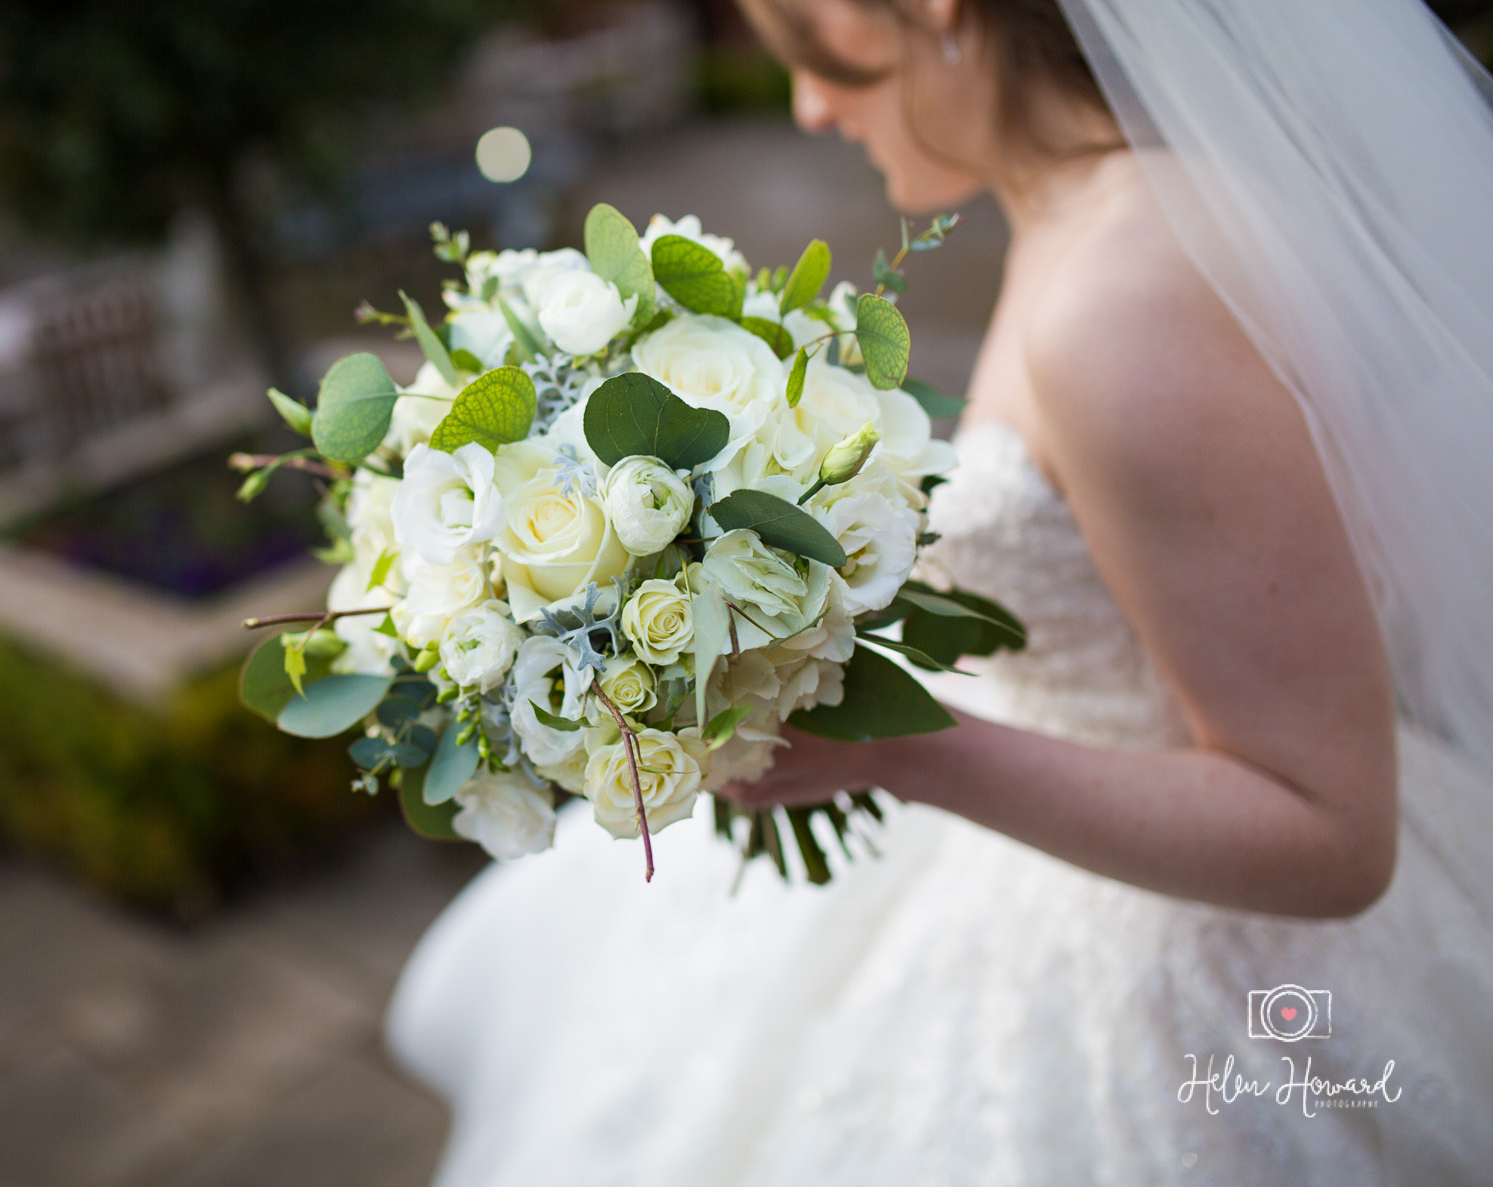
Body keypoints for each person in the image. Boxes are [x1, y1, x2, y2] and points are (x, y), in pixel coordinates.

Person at [386, 0, 1493, 1182]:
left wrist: (897, 750)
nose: (809, 104)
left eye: (814, 48)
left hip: (1204, 987)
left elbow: (1327, 832)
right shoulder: (1094, 216)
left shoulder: (1128, 299)